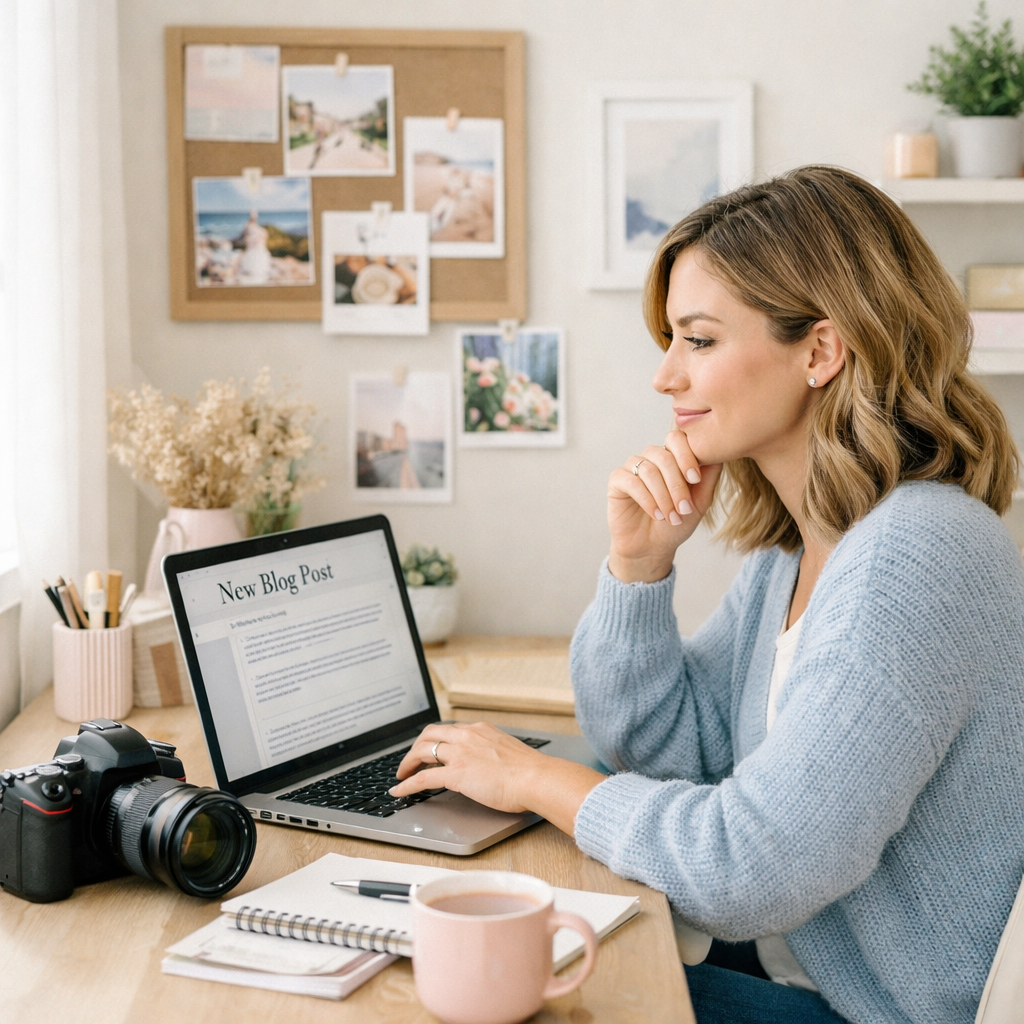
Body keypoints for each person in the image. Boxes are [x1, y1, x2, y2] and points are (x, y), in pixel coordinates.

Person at [390, 166, 1024, 1024]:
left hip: (874, 1011)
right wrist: (637, 570)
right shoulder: (802, 549)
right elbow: (670, 750)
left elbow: (748, 871)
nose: (666, 377)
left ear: (821, 350)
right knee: (480, 951)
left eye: (698, 340)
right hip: (795, 966)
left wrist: (535, 779)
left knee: (509, 987)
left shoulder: (920, 554)